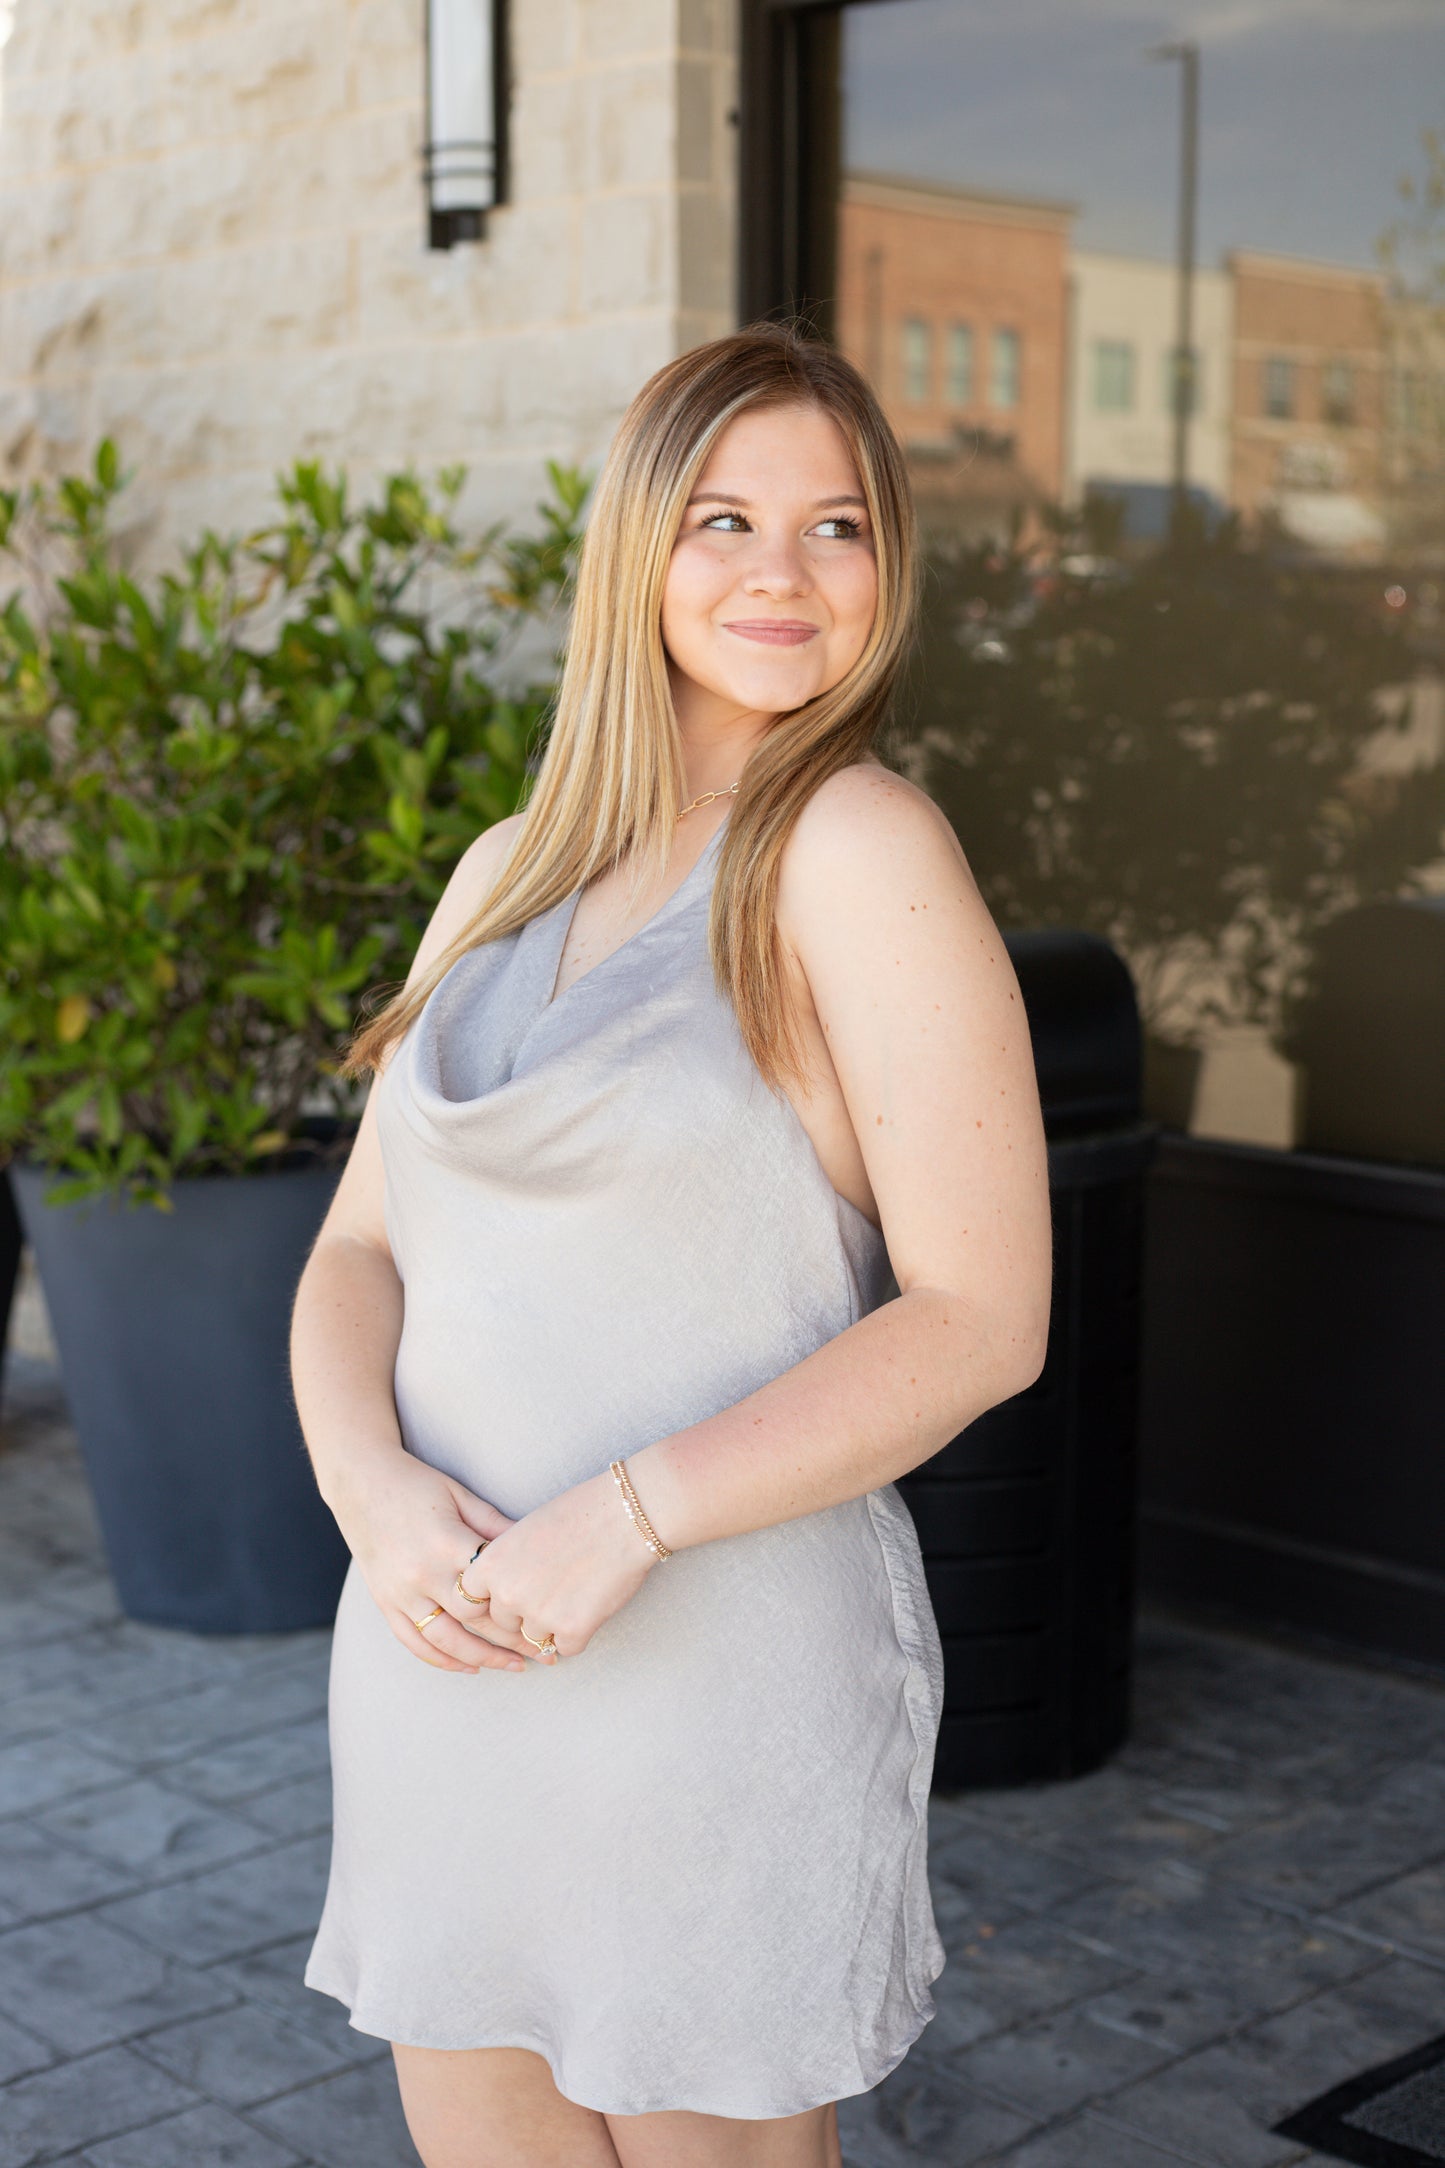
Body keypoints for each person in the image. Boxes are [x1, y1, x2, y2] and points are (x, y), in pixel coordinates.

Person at [291, 322, 1052, 2168]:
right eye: (722, 517)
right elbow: (353, 1257)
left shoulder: (858, 847)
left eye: (839, 525)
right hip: (439, 1654)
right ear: (636, 545)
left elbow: (980, 1319)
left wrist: (623, 1517)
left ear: (888, 570)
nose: (781, 574)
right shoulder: (505, 868)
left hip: (711, 1681)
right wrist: (371, 1496)